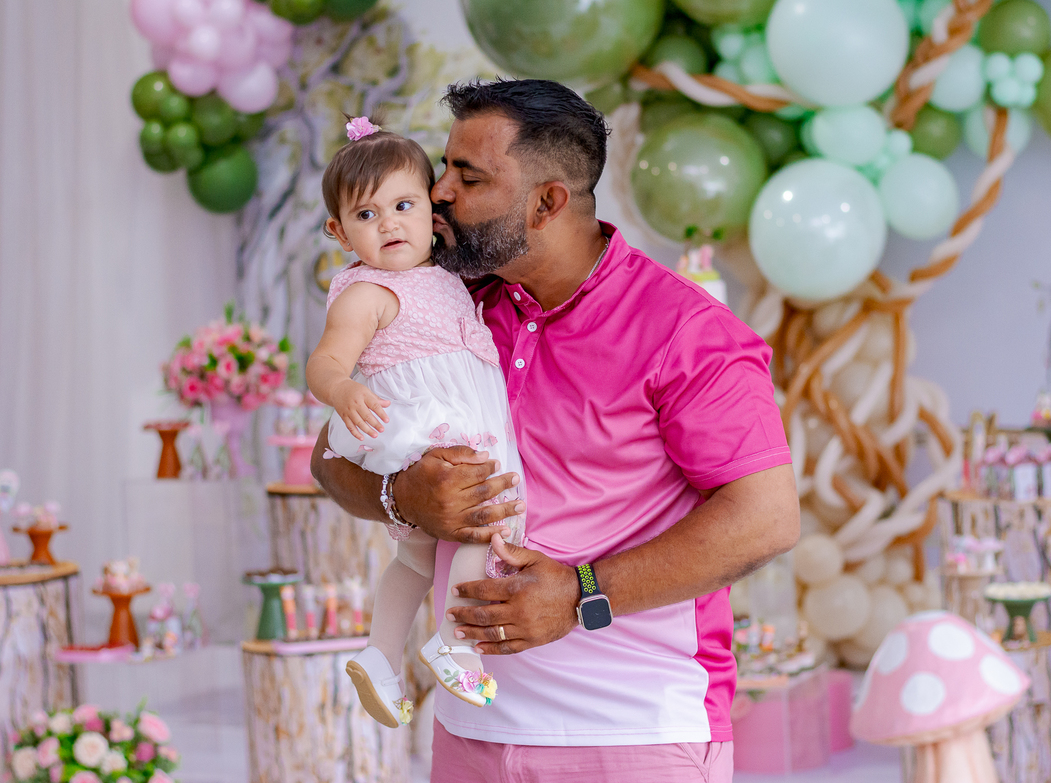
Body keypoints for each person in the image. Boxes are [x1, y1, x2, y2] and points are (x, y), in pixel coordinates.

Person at [312, 79, 800, 782]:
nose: (438, 192)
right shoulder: (447, 302)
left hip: (637, 734)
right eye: (444, 168)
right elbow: (329, 461)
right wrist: (403, 497)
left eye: (468, 177)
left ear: (547, 203)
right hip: (470, 729)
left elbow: (766, 520)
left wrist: (581, 594)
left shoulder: (688, 331)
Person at [305, 116, 525, 729]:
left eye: (403, 206)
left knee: (417, 561)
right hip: (428, 426)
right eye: (366, 215)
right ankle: (454, 644)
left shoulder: (445, 276)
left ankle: (379, 656)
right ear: (338, 231)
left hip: (459, 415)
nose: (389, 225)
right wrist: (343, 388)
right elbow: (323, 362)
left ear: (432, 212)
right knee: (483, 525)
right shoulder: (366, 293)